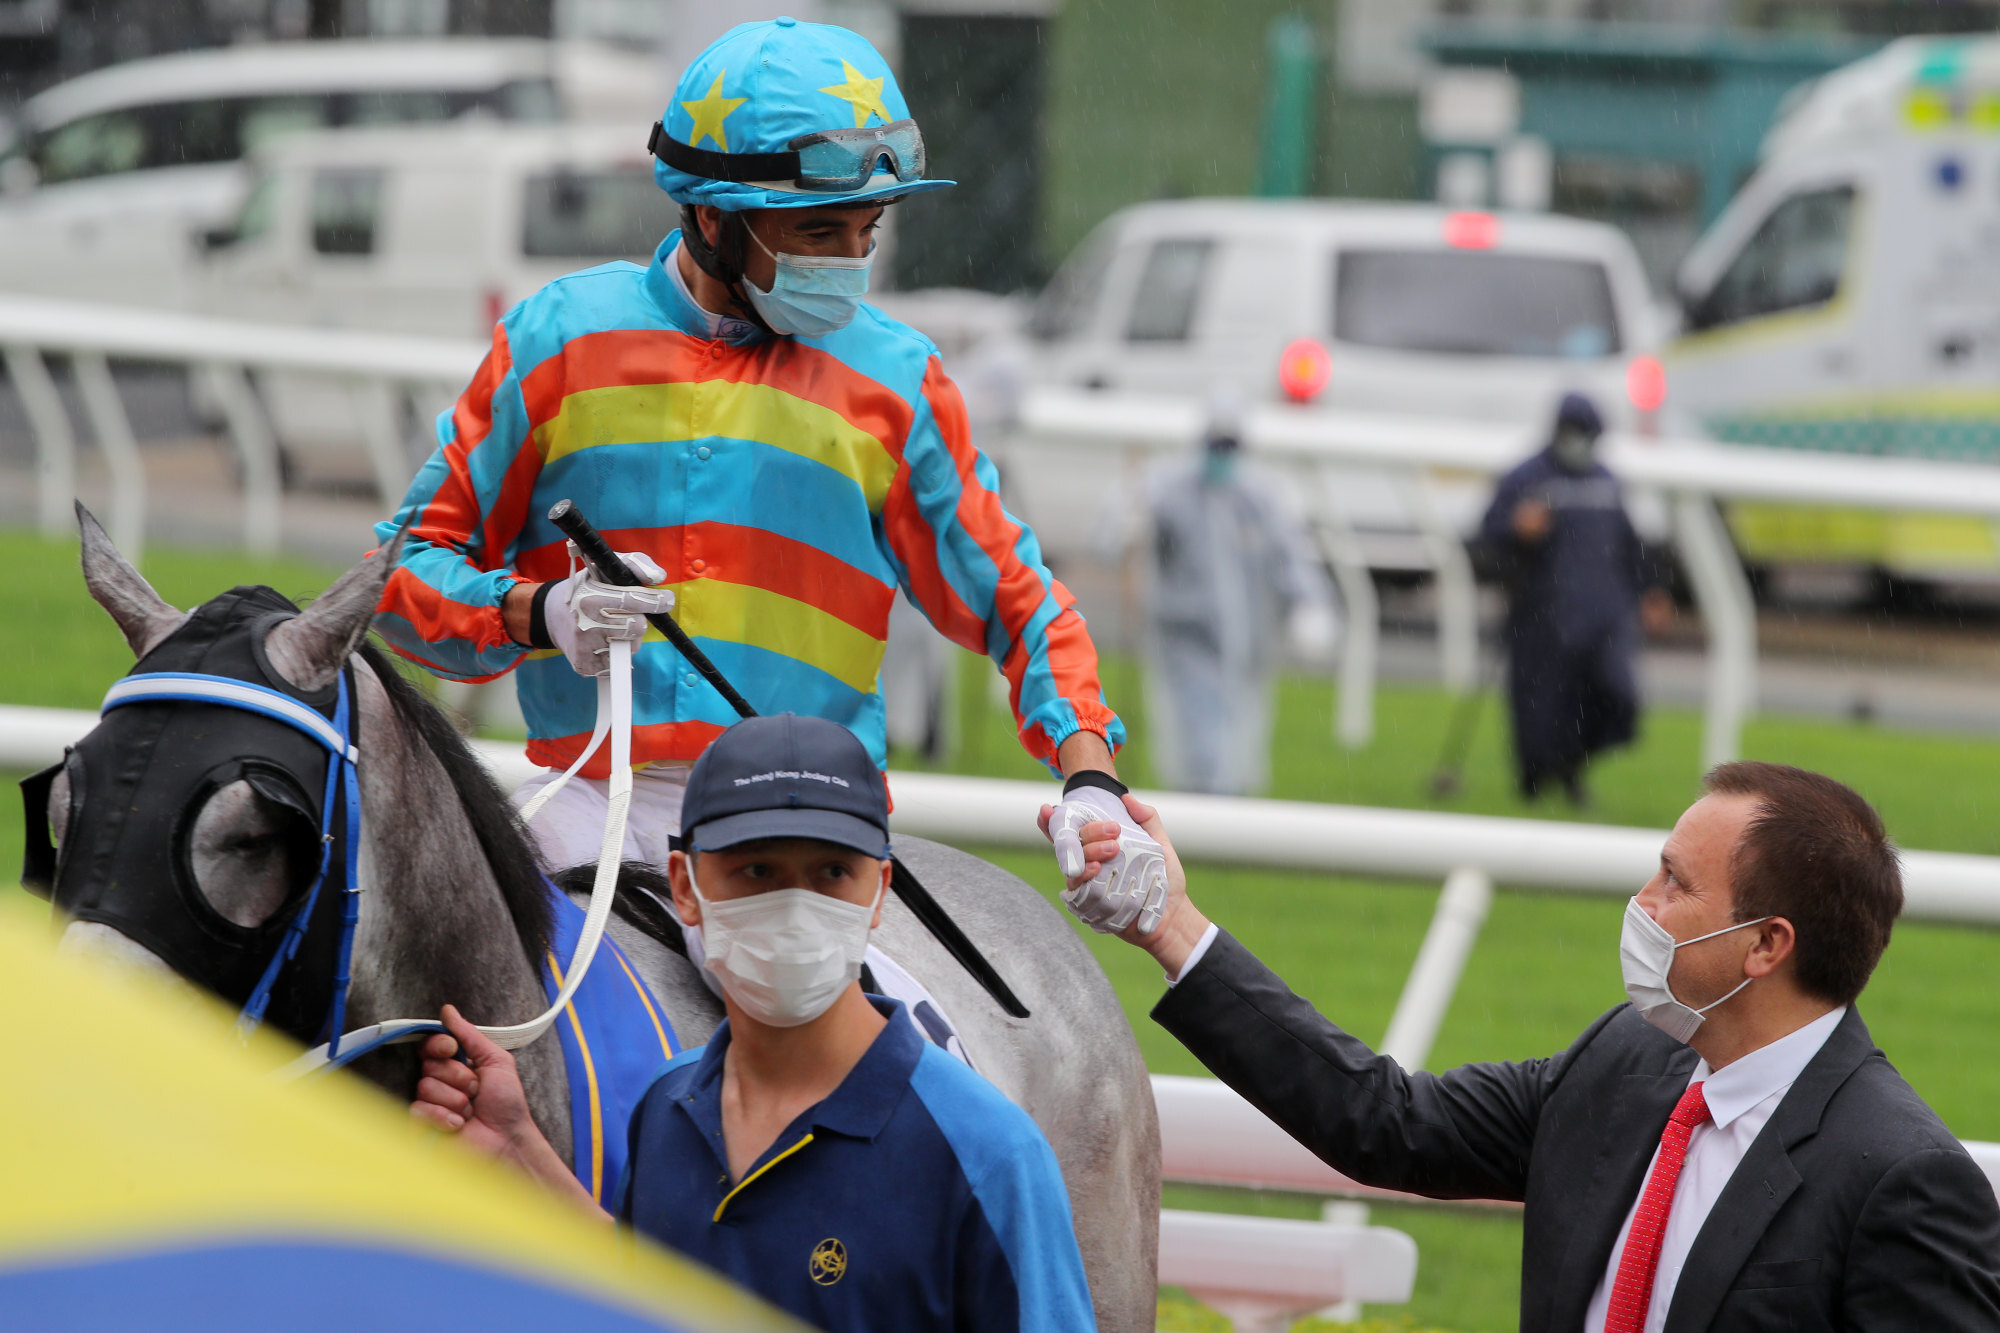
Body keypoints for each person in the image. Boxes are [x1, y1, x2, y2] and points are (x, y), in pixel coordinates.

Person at [370, 17, 1164, 936]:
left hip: (814, 835)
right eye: (818, 231)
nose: (850, 263)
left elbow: (1018, 600)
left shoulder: (899, 382)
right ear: (712, 217)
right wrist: (537, 613)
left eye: (867, 230)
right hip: (586, 810)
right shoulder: (560, 337)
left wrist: (1091, 776)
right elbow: (395, 573)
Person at [1046, 760, 2000, 1330]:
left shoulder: (1903, 1179)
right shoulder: (1625, 1061)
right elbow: (1386, 1119)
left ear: (1766, 944)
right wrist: (1170, 924)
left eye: (1674, 882)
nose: (1642, 900)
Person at [413, 713, 1096, 1332]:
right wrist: (518, 1149)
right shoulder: (670, 1109)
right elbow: (655, 1295)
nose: (795, 907)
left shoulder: (987, 1154)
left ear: (879, 891)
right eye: (757, 869)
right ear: (684, 886)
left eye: (831, 871)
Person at [1478, 392, 1671, 805]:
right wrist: (1516, 530)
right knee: (1541, 705)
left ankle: (1572, 765)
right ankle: (1536, 781)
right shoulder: (1525, 477)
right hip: (1543, 614)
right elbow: (1486, 537)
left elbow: (1629, 542)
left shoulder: (1607, 480)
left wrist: (1651, 589)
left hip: (1606, 613)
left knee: (1613, 694)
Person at [1143, 399, 1338, 795]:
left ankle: (1222, 800)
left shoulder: (1259, 497)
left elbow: (1289, 557)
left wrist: (1309, 604)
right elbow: (1128, 538)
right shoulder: (1171, 491)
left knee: (1241, 723)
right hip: (1187, 631)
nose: (1222, 455)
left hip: (1249, 636)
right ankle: (1205, 799)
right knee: (1198, 719)